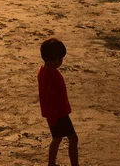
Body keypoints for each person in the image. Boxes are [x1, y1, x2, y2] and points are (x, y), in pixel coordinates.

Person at [38, 38, 79, 166]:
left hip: (53, 114)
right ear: (57, 59)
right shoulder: (52, 75)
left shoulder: (42, 72)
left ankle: (51, 164)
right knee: (72, 139)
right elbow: (51, 97)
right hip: (59, 114)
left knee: (57, 139)